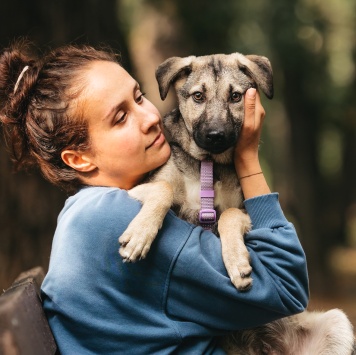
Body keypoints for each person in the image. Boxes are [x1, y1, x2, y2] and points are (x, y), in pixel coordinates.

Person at [0, 40, 309, 354]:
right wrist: (246, 158)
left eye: (139, 97)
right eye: (120, 118)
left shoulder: (86, 212)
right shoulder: (113, 220)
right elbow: (285, 287)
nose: (150, 117)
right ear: (79, 159)